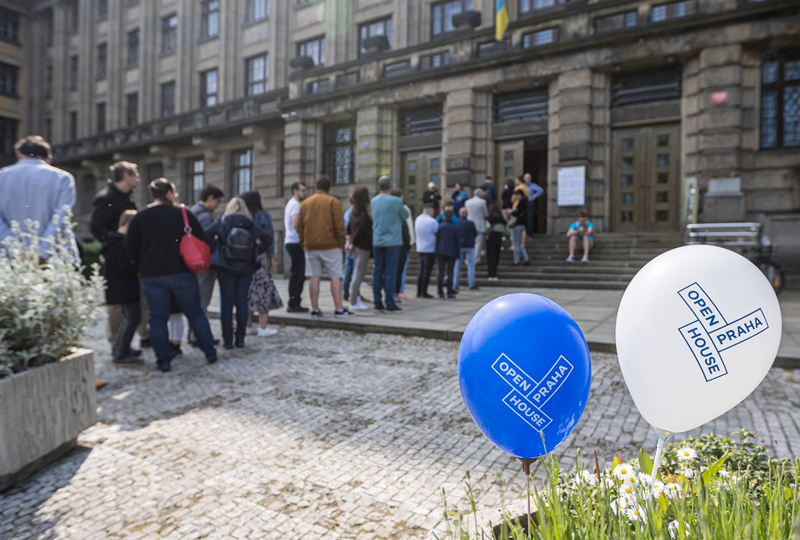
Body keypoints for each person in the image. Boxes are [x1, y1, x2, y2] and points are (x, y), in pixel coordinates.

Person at [125, 179, 217, 372]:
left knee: (157, 318)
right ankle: (210, 352)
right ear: (169, 193)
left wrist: (142, 265)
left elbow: (130, 247)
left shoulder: (140, 217)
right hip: (181, 271)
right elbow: (201, 238)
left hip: (151, 275)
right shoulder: (183, 213)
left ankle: (163, 361)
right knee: (195, 313)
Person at [90, 161, 151, 350]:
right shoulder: (106, 197)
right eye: (136, 175)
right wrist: (115, 243)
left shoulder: (126, 197)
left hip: (131, 257)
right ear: (126, 176)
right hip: (117, 258)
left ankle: (144, 335)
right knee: (117, 303)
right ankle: (117, 343)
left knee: (139, 298)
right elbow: (97, 227)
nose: (138, 179)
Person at [205, 196, 272, 348]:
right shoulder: (250, 223)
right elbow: (267, 238)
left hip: (226, 267)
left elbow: (205, 234)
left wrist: (216, 248)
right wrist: (255, 250)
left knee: (227, 304)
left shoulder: (223, 221)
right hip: (246, 267)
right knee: (242, 302)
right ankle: (240, 339)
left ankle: (228, 341)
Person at [0, 135, 78, 260]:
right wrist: (42, 253)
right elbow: (61, 217)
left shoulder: (2, 176)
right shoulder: (63, 178)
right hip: (55, 258)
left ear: (19, 154)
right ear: (48, 158)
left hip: (10, 259)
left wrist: (17, 251)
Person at [296, 176, 354, 318]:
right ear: (329, 188)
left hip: (310, 246)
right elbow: (340, 226)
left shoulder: (305, 203)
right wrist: (341, 244)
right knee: (335, 276)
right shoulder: (332, 202)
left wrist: (303, 242)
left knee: (314, 277)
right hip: (330, 245)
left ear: (315, 187)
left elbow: (299, 226)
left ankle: (315, 309)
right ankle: (339, 309)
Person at [100, 210, 143, 366]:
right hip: (124, 288)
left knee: (129, 318)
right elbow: (126, 265)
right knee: (133, 318)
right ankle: (120, 353)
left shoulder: (113, 241)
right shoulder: (120, 243)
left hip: (119, 288)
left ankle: (123, 348)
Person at [240, 191, 283, 337]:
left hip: (245, 258)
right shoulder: (263, 216)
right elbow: (269, 239)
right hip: (260, 258)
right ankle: (263, 327)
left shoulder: (244, 217)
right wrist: (272, 258)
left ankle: (248, 325)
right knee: (263, 290)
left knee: (248, 291)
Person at [188, 184, 224, 346]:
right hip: (203, 263)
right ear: (210, 199)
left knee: (195, 299)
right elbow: (206, 241)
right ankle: (199, 336)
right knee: (202, 299)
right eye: (217, 201)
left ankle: (193, 334)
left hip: (192, 262)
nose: (218, 205)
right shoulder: (206, 217)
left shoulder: (191, 212)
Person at [370, 176, 409, 314]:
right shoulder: (396, 201)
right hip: (393, 241)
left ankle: (377, 302)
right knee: (391, 273)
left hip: (378, 241)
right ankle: (390, 303)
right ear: (390, 187)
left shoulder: (373, 201)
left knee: (377, 273)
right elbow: (405, 215)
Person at [345, 186, 372, 311]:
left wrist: (350, 243)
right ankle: (354, 301)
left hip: (357, 247)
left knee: (357, 273)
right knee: (359, 273)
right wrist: (352, 244)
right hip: (362, 247)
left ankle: (355, 299)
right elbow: (359, 231)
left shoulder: (353, 213)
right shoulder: (363, 215)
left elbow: (349, 230)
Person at [284, 182, 309, 312]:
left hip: (291, 241)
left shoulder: (291, 203)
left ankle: (294, 302)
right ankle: (293, 303)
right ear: (295, 191)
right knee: (297, 274)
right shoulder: (295, 205)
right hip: (295, 242)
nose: (305, 193)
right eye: (302, 191)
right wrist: (304, 236)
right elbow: (295, 223)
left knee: (298, 274)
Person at [394, 190, 415, 302]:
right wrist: (411, 241)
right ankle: (399, 292)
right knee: (401, 270)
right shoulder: (404, 209)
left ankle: (397, 292)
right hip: (402, 244)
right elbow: (408, 227)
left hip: (397, 243)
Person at [435, 209, 459, 300]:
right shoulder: (455, 228)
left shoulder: (440, 227)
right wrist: (458, 254)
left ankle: (440, 292)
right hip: (451, 252)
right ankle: (449, 292)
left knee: (440, 272)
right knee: (450, 272)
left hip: (441, 252)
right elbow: (457, 242)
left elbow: (437, 240)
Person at [414, 204, 438, 299]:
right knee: (426, 271)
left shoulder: (417, 219)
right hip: (430, 248)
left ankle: (419, 291)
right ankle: (424, 291)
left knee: (422, 270)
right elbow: (436, 233)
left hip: (420, 247)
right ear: (430, 211)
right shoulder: (432, 221)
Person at [454, 207, 478, 291]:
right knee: (471, 265)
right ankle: (471, 284)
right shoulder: (470, 223)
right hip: (469, 245)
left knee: (457, 265)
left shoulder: (456, 223)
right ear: (467, 214)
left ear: (459, 214)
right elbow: (475, 233)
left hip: (459, 246)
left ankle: (455, 284)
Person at [464, 189, 488, 265]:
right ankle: (476, 259)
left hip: (469, 224)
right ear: (480, 195)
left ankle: (469, 258)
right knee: (478, 243)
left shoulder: (467, 202)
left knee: (470, 243)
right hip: (479, 224)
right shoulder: (482, 202)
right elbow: (486, 213)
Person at [509, 190, 530, 266]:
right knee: (519, 244)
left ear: (519, 195)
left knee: (516, 244)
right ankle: (526, 258)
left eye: (516, 195)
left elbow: (516, 213)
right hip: (522, 225)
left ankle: (516, 261)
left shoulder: (520, 203)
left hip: (517, 224)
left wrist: (511, 212)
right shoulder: (525, 202)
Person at [485, 205, 506, 281]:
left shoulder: (489, 218)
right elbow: (505, 227)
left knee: (490, 257)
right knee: (496, 256)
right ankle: (495, 274)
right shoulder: (501, 219)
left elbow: (487, 228)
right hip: (498, 237)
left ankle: (491, 274)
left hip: (491, 237)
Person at [342, 202, 356, 302]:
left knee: (348, 270)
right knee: (356, 271)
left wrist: (347, 243)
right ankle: (356, 294)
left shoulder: (347, 212)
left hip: (347, 244)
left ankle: (345, 293)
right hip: (354, 245)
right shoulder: (356, 212)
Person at [524, 172, 544, 238]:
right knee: (524, 218)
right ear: (524, 178)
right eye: (527, 177)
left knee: (530, 218)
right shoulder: (522, 186)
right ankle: (524, 233)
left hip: (530, 203)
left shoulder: (533, 185)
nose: (528, 179)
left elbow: (541, 190)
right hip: (523, 203)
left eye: (529, 178)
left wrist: (535, 196)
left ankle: (529, 233)